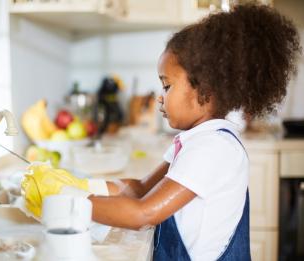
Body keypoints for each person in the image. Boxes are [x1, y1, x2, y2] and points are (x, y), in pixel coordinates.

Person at [21, 3, 302, 260]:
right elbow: (141, 188)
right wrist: (79, 185)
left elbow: (144, 213)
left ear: (205, 89)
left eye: (167, 86)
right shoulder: (197, 140)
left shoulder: (213, 149)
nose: (159, 97)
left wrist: (64, 203)